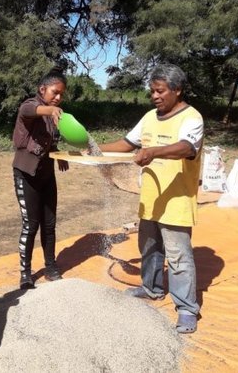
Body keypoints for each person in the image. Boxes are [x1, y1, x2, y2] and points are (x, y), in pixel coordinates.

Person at [99, 63, 203, 334]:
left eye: (160, 91)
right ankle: (151, 288)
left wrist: (154, 152)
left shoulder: (192, 118)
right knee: (149, 248)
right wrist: (92, 149)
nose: (154, 96)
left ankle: (187, 309)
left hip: (176, 200)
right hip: (150, 198)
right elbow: (127, 144)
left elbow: (186, 148)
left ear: (177, 90)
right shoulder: (149, 117)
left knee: (179, 257)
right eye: (152, 92)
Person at [12, 66, 69, 289]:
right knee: (30, 225)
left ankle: (51, 267)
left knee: (50, 224)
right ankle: (25, 273)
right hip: (26, 174)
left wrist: (59, 155)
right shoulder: (31, 105)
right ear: (42, 89)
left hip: (47, 174)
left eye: (61, 94)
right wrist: (49, 110)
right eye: (55, 92)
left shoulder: (53, 113)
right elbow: (30, 110)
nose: (58, 97)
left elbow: (49, 139)